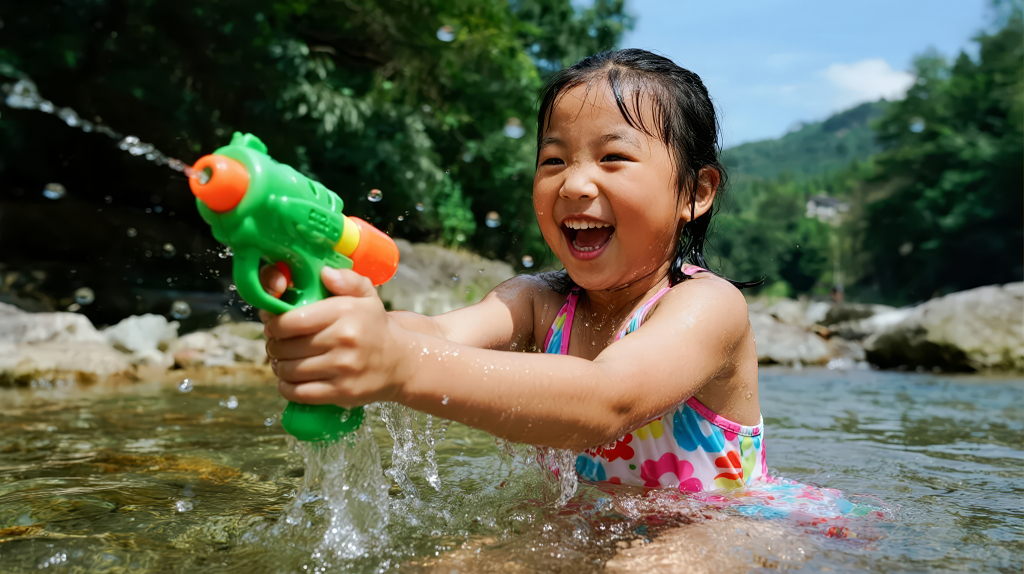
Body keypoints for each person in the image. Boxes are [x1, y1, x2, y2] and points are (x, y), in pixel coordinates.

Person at [259, 49, 766, 492]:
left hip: (714, 525)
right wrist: (341, 323)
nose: (574, 184)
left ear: (696, 192)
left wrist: (397, 363)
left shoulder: (707, 306)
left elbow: (608, 400)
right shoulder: (538, 301)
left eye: (613, 156)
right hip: (589, 523)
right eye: (553, 161)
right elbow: (435, 335)